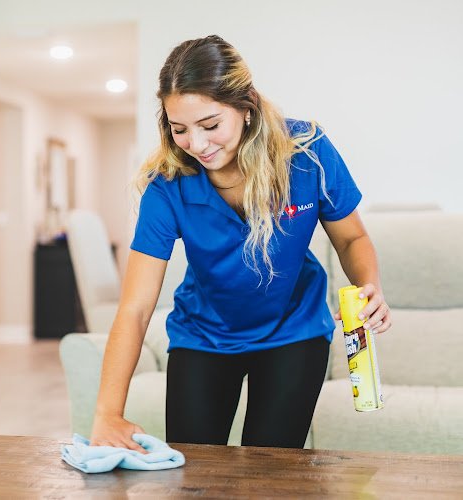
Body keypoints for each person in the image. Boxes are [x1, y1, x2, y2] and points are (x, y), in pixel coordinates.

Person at [89, 35, 392, 451]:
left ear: (246, 107)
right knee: (195, 471)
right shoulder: (167, 185)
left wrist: (369, 285)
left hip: (294, 332)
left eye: (210, 125)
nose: (196, 145)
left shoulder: (306, 153)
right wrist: (107, 413)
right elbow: (136, 307)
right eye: (180, 129)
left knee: (270, 473)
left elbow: (352, 237)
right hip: (204, 337)